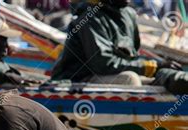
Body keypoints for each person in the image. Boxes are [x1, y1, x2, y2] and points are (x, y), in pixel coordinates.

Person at [51, 0, 188, 94]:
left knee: (166, 79)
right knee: (130, 79)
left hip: (108, 76)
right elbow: (103, 64)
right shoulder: (90, 17)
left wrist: (160, 66)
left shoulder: (128, 15)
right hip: (79, 80)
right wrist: (152, 67)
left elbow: (132, 56)